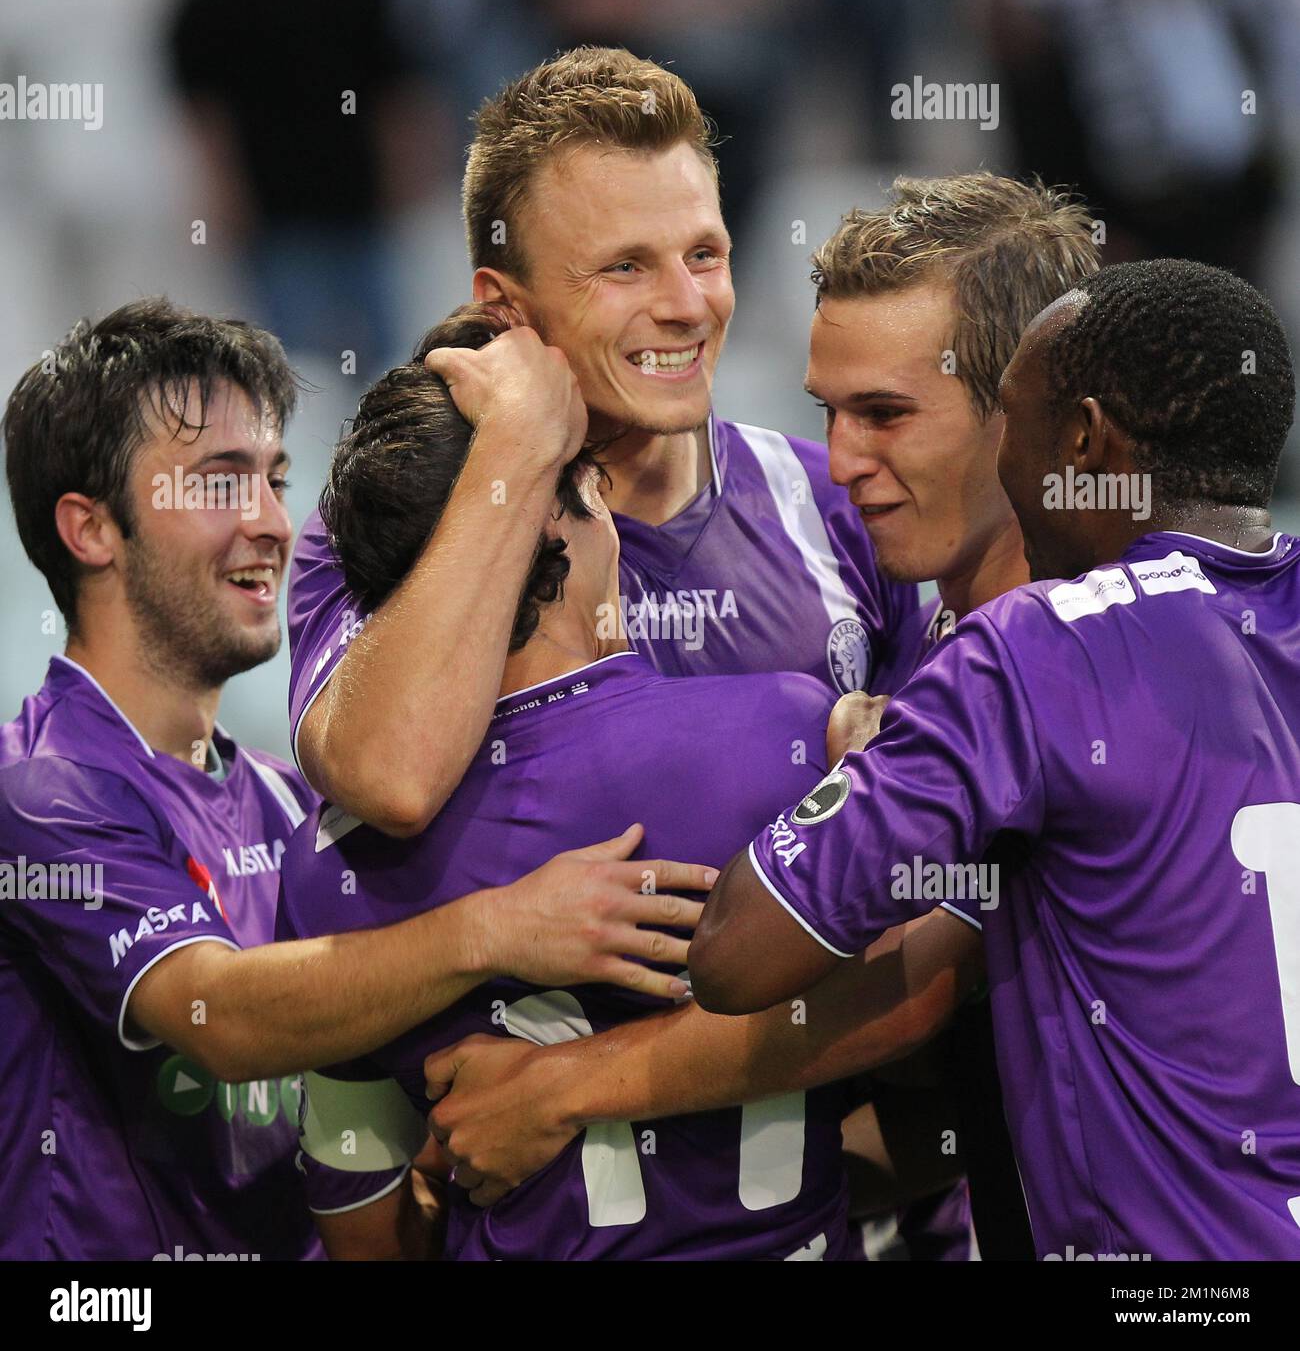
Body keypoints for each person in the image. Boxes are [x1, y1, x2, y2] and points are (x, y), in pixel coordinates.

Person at [418, 173, 1100, 1262]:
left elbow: (912, 982)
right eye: (829, 411)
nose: (841, 463)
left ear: (1029, 414)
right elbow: (958, 1076)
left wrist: (561, 1087)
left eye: (885, 414)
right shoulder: (942, 643)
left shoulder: (1064, 656)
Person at [0, 298, 710, 1260]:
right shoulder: (38, 788)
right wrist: (500, 925)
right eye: (220, 485)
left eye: (274, 479)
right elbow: (222, 1017)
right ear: (90, 528)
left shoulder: (288, 797)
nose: (268, 524)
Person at [278, 302, 943, 1260]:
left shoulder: (329, 867)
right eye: (585, 479)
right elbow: (927, 994)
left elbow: (361, 1219)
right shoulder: (792, 735)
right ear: (550, 516)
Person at [689, 259, 1300, 1260]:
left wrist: (866, 764)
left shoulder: (1035, 650)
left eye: (1010, 425)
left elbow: (735, 950)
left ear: (1082, 440)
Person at [286, 46, 916, 838]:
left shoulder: (839, 505)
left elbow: (915, 847)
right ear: (504, 308)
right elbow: (384, 776)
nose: (687, 305)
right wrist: (519, 446)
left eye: (704, 255)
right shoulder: (397, 512)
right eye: (624, 268)